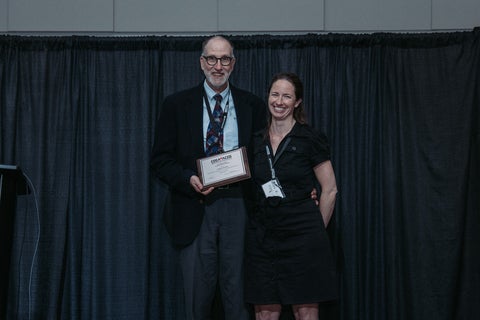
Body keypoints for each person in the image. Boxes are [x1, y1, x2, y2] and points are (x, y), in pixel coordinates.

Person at [150, 35, 267, 320]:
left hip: (238, 205)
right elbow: (160, 161)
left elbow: (264, 161)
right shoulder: (176, 104)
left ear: (233, 64)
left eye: (225, 59)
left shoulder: (252, 105)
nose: (218, 65)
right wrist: (188, 178)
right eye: (212, 59)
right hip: (194, 206)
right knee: (196, 300)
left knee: (238, 296)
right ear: (202, 63)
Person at [245, 72, 338, 320]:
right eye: (275, 94)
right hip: (263, 240)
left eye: (287, 96)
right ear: (268, 98)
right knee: (264, 311)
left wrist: (317, 230)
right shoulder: (255, 141)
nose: (280, 101)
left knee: (306, 312)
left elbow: (329, 189)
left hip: (303, 238)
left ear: (297, 102)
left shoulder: (310, 139)